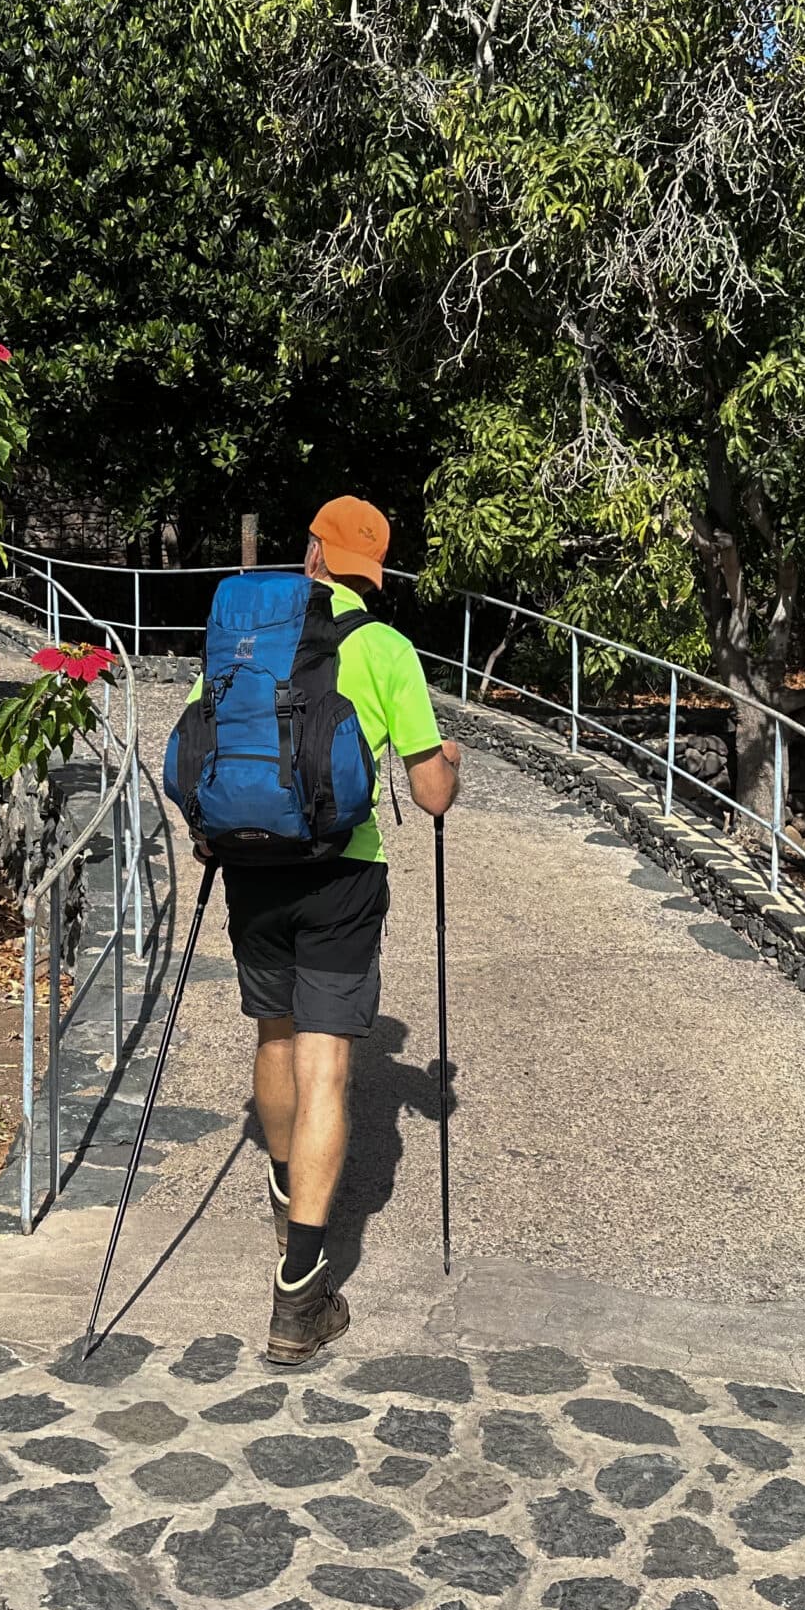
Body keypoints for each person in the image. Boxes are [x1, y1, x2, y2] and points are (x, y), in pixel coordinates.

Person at [199, 496, 460, 1366]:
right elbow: (431, 796)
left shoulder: (245, 636)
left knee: (274, 1037)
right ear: (366, 571)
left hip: (252, 863)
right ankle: (300, 1295)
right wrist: (447, 759)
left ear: (310, 552)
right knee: (327, 1068)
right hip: (344, 873)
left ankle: (285, 1193)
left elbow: (204, 744)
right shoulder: (384, 647)